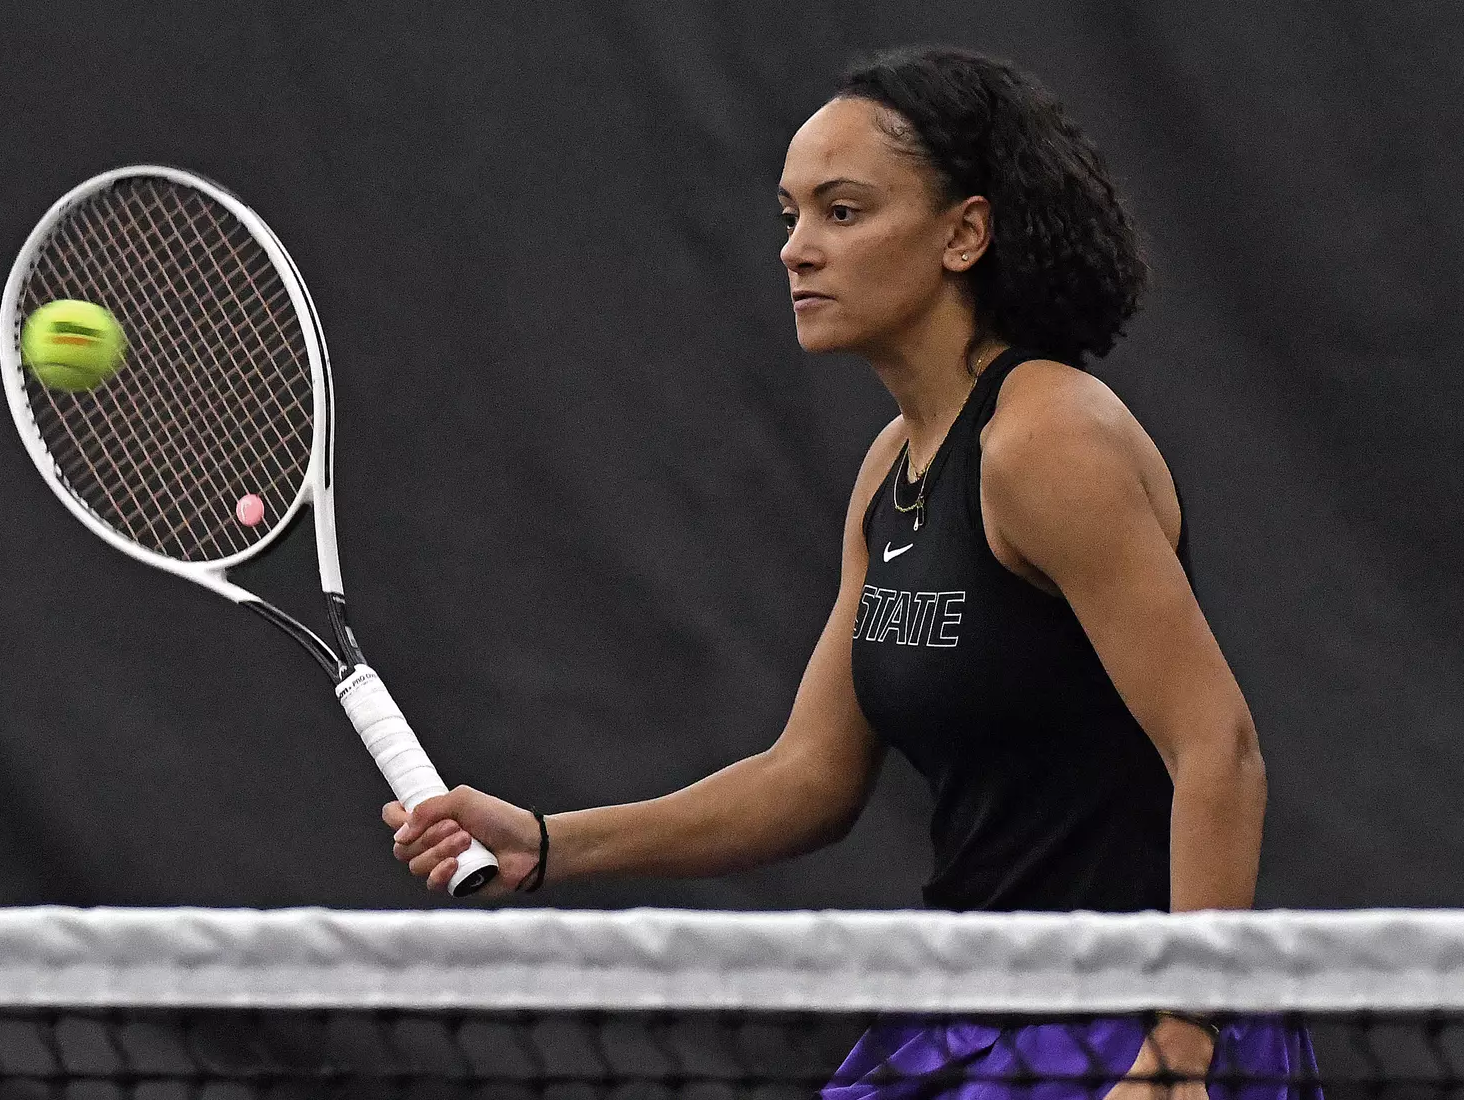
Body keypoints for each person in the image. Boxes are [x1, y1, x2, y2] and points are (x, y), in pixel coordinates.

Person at [382, 46, 1318, 1100]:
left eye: (842, 211)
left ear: (964, 232)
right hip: (975, 1003)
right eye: (789, 215)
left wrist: (1179, 1048)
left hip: (1126, 1021)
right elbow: (811, 777)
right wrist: (550, 844)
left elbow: (1218, 747)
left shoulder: (1048, 439)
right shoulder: (894, 469)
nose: (796, 250)